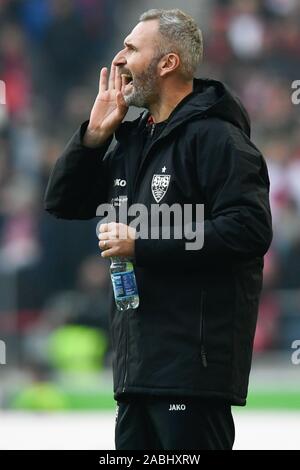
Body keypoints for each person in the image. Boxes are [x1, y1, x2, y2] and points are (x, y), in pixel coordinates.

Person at [44, 9, 272, 450]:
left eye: (131, 48)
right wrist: (93, 136)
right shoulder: (134, 141)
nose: (119, 58)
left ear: (167, 63)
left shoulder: (218, 139)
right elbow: (63, 202)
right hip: (135, 371)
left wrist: (141, 244)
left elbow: (249, 229)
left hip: (192, 373)